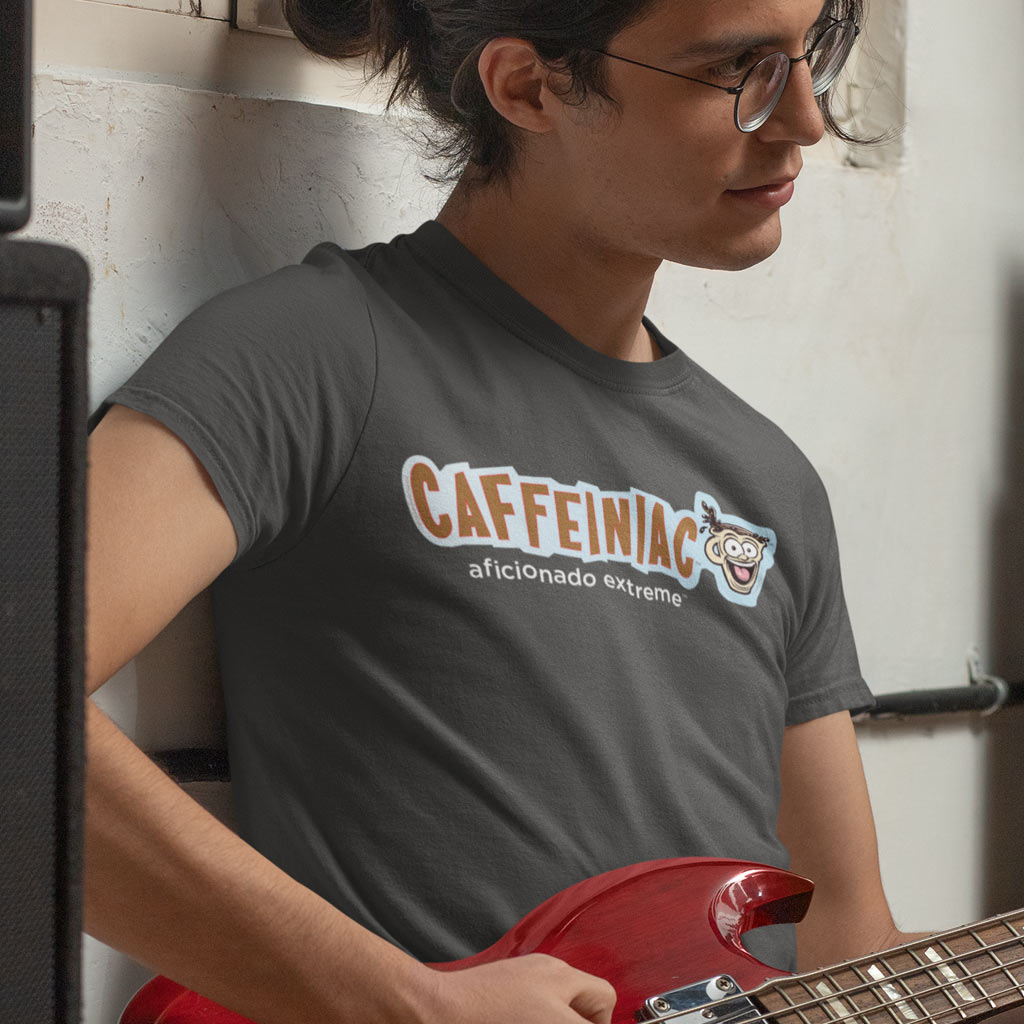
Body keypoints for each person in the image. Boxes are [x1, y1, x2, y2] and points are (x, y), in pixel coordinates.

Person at [82, 1, 933, 1023]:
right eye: (740, 68)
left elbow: (845, 943)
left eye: (812, 53)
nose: (803, 118)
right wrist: (408, 1004)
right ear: (528, 86)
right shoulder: (313, 356)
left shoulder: (766, 480)